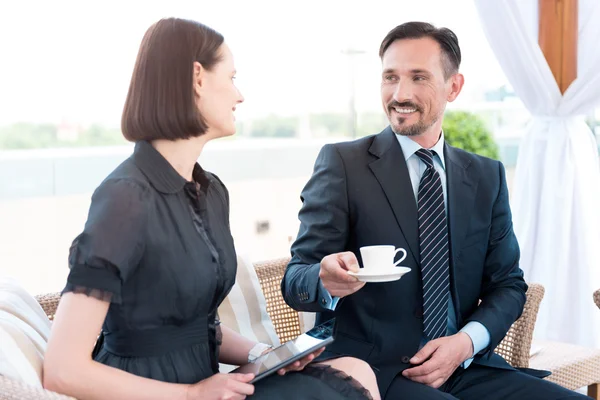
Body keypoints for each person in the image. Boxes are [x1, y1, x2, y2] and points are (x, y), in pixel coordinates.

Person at [43, 17, 379, 400]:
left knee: (355, 369)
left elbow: (196, 327)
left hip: (209, 384)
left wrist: (267, 355)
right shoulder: (124, 198)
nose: (240, 95)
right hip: (160, 392)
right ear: (197, 78)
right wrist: (191, 395)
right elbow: (62, 369)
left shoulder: (210, 192)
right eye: (233, 77)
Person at [282, 21, 591, 400]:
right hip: (378, 372)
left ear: (454, 86)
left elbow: (508, 286)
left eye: (418, 78)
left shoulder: (485, 176)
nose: (400, 93)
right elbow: (296, 281)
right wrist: (323, 280)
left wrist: (465, 343)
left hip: (467, 366)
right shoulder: (343, 164)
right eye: (390, 77)